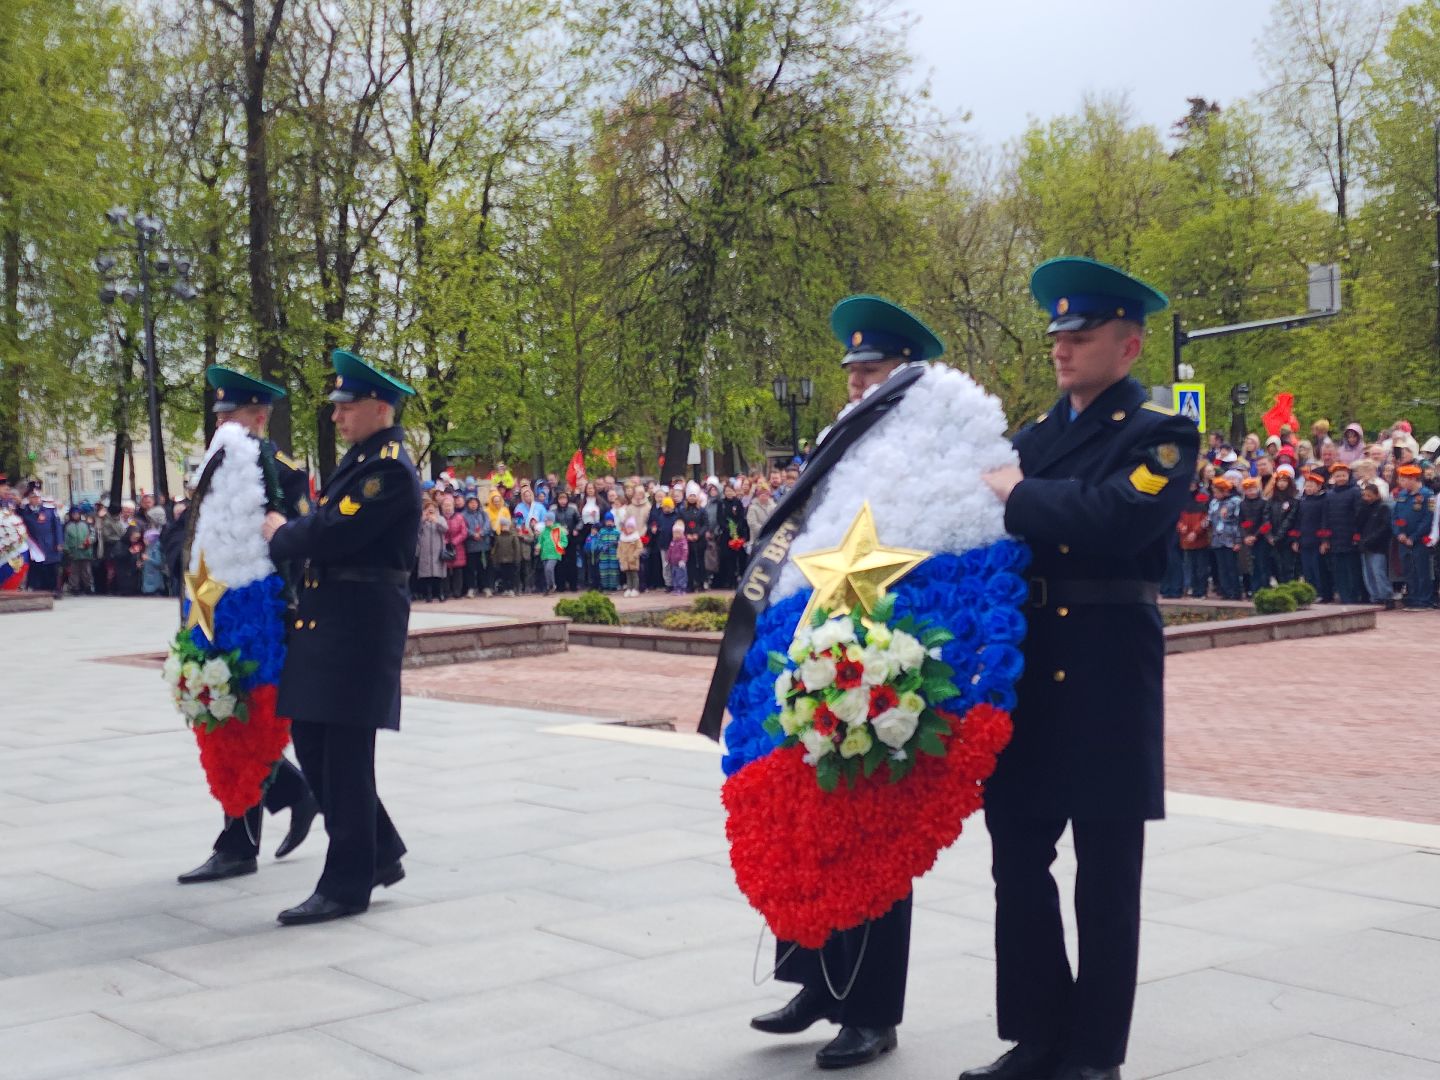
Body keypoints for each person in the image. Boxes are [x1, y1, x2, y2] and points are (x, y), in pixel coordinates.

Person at [969, 257, 1197, 1080]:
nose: (1063, 348)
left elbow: (1115, 518)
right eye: (1058, 334)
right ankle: (1036, 1034)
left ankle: (1094, 1053)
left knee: (1106, 877)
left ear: (1129, 346)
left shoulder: (1162, 433)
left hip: (1104, 665)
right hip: (1029, 672)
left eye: (1084, 334)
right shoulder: (1034, 437)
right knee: (1017, 864)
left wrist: (1019, 495)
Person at [261, 349, 419, 925]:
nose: (336, 416)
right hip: (333, 622)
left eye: (346, 406)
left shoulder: (390, 468)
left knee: (346, 758)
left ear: (379, 407)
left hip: (358, 626)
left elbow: (333, 530)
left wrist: (284, 533)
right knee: (315, 745)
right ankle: (380, 852)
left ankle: (347, 882)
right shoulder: (364, 457)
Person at [178, 366, 319, 885]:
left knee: (242, 716)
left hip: (260, 613)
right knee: (222, 711)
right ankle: (291, 794)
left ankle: (240, 840)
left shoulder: (279, 469)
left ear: (257, 418)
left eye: (230, 416)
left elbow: (294, 540)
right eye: (218, 417)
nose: (221, 425)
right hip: (210, 607)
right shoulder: (218, 464)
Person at [1393, 463, 1435, 609]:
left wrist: (1414, 537)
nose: (1401, 482)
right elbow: (1396, 516)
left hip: (1419, 541)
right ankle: (1413, 597)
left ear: (1413, 479)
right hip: (1404, 541)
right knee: (1408, 570)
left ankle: (1424, 600)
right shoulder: (1402, 495)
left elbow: (1427, 519)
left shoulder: (1427, 495)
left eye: (1404, 479)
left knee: (1422, 570)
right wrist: (1399, 533)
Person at [1321, 460, 1363, 603]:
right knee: (1338, 570)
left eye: (1343, 475)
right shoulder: (1329, 494)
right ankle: (1344, 596)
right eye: (1338, 476)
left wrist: (1357, 534)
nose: (1341, 478)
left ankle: (1354, 596)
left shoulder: (1355, 491)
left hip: (1350, 536)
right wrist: (1325, 539)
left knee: (1352, 568)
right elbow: (1325, 516)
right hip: (1335, 537)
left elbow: (1359, 514)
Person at [17, 487, 62, 597]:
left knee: (51, 569)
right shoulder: (25, 511)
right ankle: (38, 590)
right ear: (29, 499)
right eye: (33, 497)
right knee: (36, 569)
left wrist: (59, 542)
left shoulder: (49, 510)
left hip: (49, 544)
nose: (36, 500)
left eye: (37, 497)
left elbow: (57, 527)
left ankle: (53, 590)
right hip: (34, 545)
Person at [1356, 481, 1394, 605]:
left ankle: (1386, 596)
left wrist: (1372, 539)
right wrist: (1362, 506)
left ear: (1377, 495)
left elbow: (1384, 527)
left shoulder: (1383, 507)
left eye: (1369, 495)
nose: (1366, 498)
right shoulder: (1364, 508)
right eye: (1364, 495)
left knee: (1378, 571)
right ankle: (1375, 596)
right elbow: (1359, 523)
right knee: (1368, 574)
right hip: (1365, 544)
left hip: (1378, 545)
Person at [415, 501, 448, 602]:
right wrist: (423, 520)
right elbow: (416, 530)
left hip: (437, 550)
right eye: (428, 507)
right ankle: (428, 595)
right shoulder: (421, 519)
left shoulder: (440, 518)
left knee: (438, 575)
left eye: (432, 507)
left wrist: (436, 521)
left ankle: (440, 594)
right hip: (425, 550)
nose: (430, 509)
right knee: (427, 576)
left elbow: (445, 529)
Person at [62, 505, 95, 595]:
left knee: (87, 571)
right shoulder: (68, 526)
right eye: (74, 514)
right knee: (74, 571)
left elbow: (92, 535)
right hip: (74, 552)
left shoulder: (86, 524)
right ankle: (74, 587)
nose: (75, 516)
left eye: (77, 514)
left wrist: (88, 542)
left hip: (86, 552)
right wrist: (67, 550)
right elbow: (65, 540)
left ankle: (88, 587)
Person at [490, 516, 522, 596]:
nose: (504, 527)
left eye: (506, 526)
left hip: (511, 560)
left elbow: (517, 549)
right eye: (503, 526)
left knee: (511, 575)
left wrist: (517, 559)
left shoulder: (513, 537)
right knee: (504, 576)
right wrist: (494, 559)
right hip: (502, 560)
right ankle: (505, 589)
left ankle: (511, 589)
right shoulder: (498, 537)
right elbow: (495, 549)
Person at [539, 510, 568, 595]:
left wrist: (560, 545)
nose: (546, 522)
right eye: (545, 521)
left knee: (549, 568)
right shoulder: (544, 531)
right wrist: (539, 546)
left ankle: (552, 585)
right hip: (545, 554)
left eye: (547, 520)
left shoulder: (558, 530)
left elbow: (564, 541)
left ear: (552, 520)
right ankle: (549, 586)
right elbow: (540, 541)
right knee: (546, 571)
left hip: (555, 553)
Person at [617, 516, 642, 596]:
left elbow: (639, 547)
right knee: (628, 575)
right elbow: (619, 548)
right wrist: (619, 556)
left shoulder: (635, 538)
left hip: (633, 560)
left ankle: (635, 588)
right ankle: (629, 588)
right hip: (625, 560)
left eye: (631, 527)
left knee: (634, 575)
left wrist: (635, 555)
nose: (629, 529)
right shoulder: (622, 538)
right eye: (628, 527)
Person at [665, 520, 689, 594]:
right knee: (674, 575)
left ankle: (682, 588)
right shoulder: (672, 542)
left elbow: (685, 551)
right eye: (674, 533)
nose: (676, 535)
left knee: (681, 575)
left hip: (680, 563)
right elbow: (669, 551)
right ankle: (676, 588)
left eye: (678, 533)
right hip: (673, 563)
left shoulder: (683, 542)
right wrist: (667, 559)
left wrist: (683, 560)